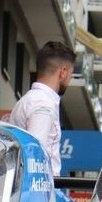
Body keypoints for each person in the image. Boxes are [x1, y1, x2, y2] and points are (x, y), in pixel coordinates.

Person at [9, 41, 76, 177]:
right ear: (62, 72)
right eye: (71, 74)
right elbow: (35, 156)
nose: (70, 80)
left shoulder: (26, 100)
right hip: (41, 191)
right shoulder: (43, 105)